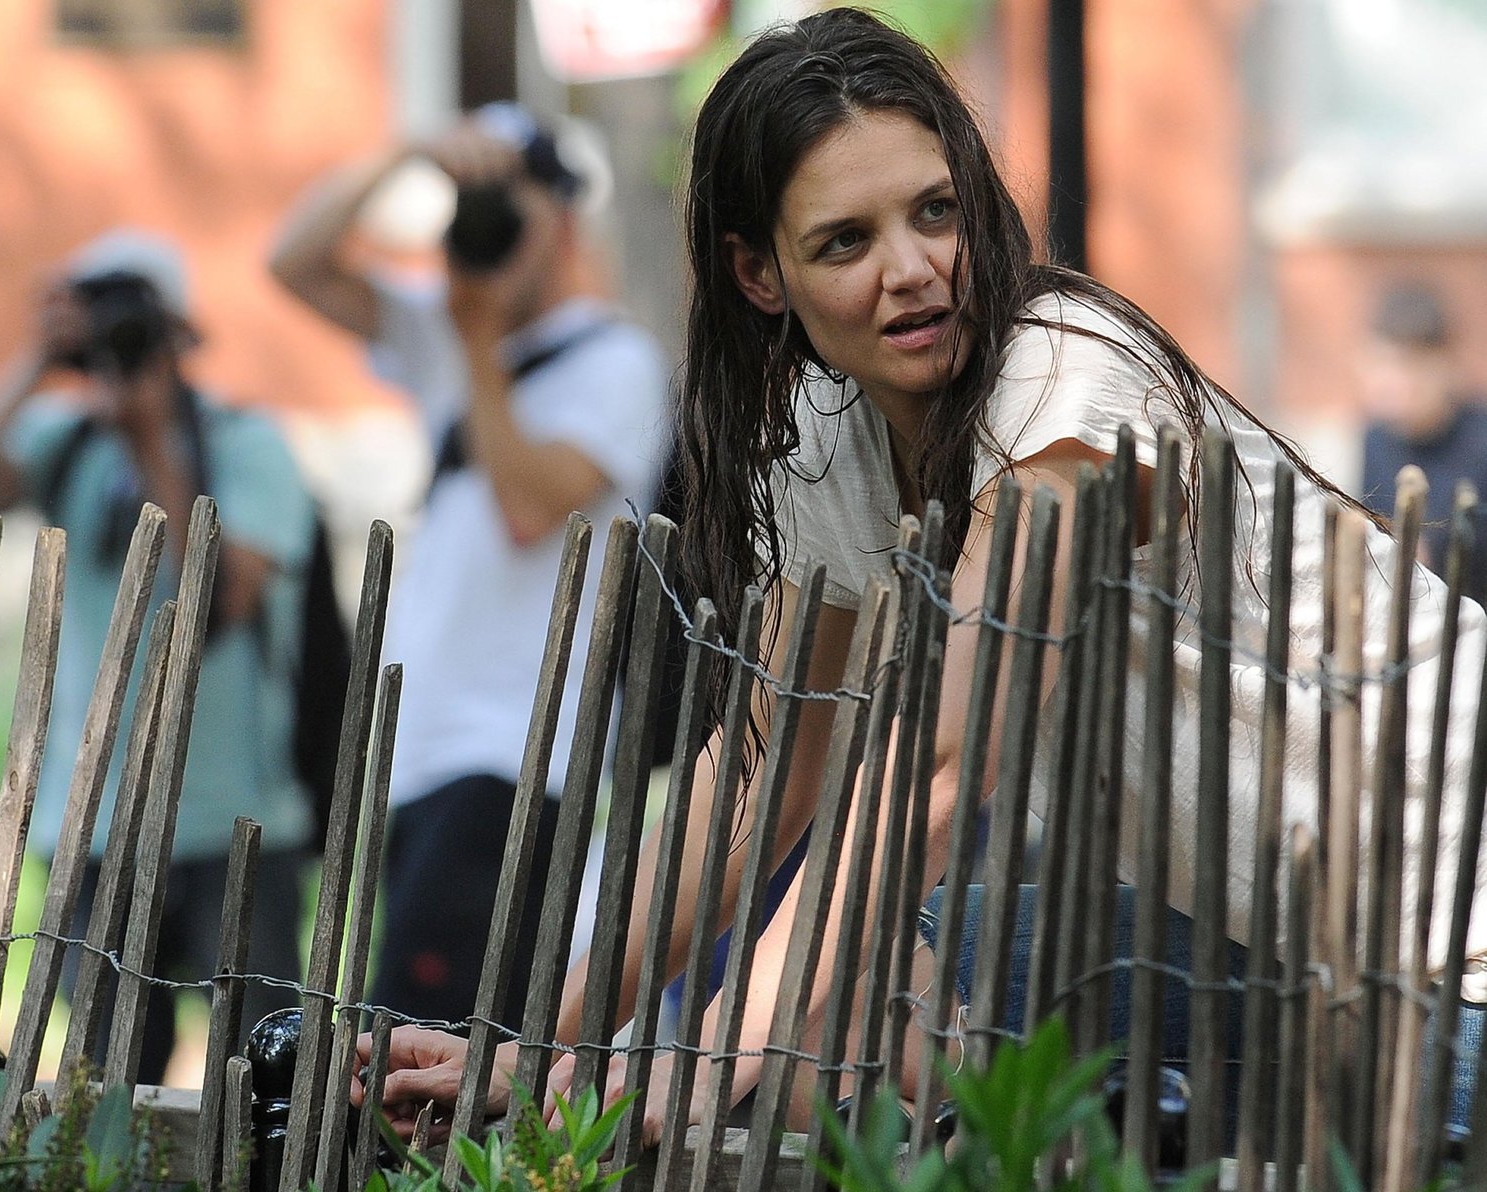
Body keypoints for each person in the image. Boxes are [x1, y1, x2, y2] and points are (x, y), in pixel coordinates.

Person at [353, 8, 1487, 1144]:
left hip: (1455, 958)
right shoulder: (827, 432)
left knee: (862, 1003)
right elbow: (762, 766)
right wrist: (547, 1038)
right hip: (1293, 952)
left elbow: (941, 761)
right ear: (759, 273)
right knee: (899, 974)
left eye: (933, 211)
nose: (913, 270)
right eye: (845, 241)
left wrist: (708, 1056)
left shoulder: (1067, 387)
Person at [270, 104, 668, 1028]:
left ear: (564, 223)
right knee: (413, 1040)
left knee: (423, 1045)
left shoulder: (617, 364)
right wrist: (407, 151)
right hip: (424, 760)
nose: (484, 233)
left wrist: (478, 343)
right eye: (468, 209)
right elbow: (291, 263)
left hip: (518, 760)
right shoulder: (453, 336)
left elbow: (531, 507)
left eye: (507, 210)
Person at [0, 230, 314, 1084]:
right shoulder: (68, 439)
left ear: (181, 331)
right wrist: (37, 361)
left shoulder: (246, 444)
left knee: (263, 1080)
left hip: (234, 821)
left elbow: (221, 599)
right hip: (96, 823)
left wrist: (151, 441)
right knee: (104, 1077)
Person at [1361, 281, 1487, 602]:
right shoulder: (1376, 440)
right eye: (1383, 364)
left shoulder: (1479, 442)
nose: (1394, 383)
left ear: (1444, 365)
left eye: (1408, 365)